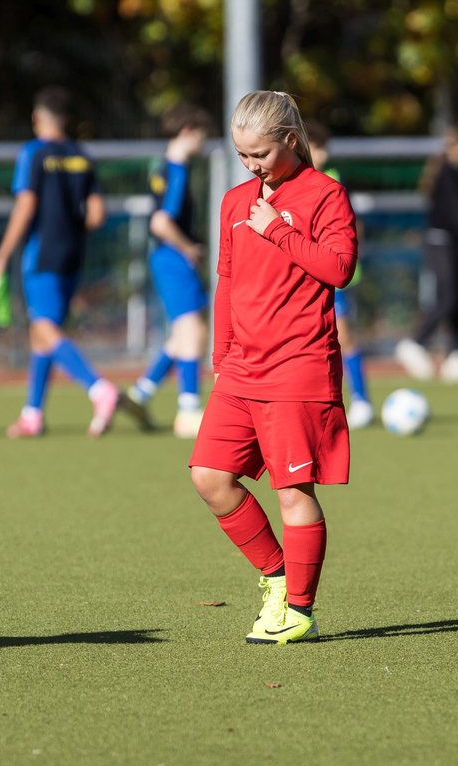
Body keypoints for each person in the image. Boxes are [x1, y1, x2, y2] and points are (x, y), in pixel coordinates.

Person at [188, 91, 357, 644]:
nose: (250, 165)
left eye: (259, 154)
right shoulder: (236, 201)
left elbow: (339, 268)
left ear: (290, 140)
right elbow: (228, 281)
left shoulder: (325, 194)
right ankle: (277, 577)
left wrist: (278, 229)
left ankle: (299, 610)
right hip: (240, 368)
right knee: (209, 477)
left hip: (298, 364)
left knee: (293, 491)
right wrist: (221, 353)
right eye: (241, 155)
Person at [0, 87, 120, 438]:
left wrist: (1, 256)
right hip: (72, 252)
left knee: (43, 327)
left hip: (43, 251)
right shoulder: (81, 155)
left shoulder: (34, 152)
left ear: (37, 119)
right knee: (43, 335)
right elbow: (97, 215)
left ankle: (98, 388)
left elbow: (26, 206)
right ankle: (33, 413)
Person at [120, 103, 211, 438]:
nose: (203, 144)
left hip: (164, 258)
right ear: (188, 131)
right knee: (193, 330)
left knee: (184, 332)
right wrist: (189, 248)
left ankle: (140, 393)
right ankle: (188, 410)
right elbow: (161, 222)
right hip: (173, 257)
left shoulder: (159, 167)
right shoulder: (178, 169)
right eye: (201, 135)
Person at [395, 127, 458, 383]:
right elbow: (453, 215)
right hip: (441, 242)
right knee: (448, 297)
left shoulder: (454, 174)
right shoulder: (447, 174)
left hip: (451, 244)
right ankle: (415, 343)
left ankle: (456, 354)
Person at [306, 121, 373, 427]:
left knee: (343, 334)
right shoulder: (288, 183)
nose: (322, 155)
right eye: (317, 148)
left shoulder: (331, 179)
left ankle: (360, 399)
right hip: (303, 276)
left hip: (330, 273)